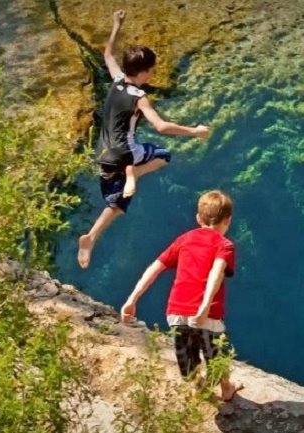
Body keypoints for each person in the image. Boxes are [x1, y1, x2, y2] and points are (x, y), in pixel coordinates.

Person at [77, 9, 210, 269]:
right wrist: (195, 131)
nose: (152, 75)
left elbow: (107, 53)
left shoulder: (116, 81)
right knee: (163, 156)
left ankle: (91, 237)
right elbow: (161, 126)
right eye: (150, 71)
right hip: (126, 152)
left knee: (115, 202)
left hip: (103, 153)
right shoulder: (139, 97)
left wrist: (116, 24)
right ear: (143, 72)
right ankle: (134, 174)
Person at [120, 190, 243, 401]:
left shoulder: (184, 239)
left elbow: (155, 268)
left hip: (176, 311)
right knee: (218, 353)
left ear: (198, 218)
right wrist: (204, 307)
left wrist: (132, 300)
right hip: (207, 315)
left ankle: (198, 388)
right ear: (228, 220)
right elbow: (217, 272)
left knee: (187, 357)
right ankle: (226, 388)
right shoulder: (225, 245)